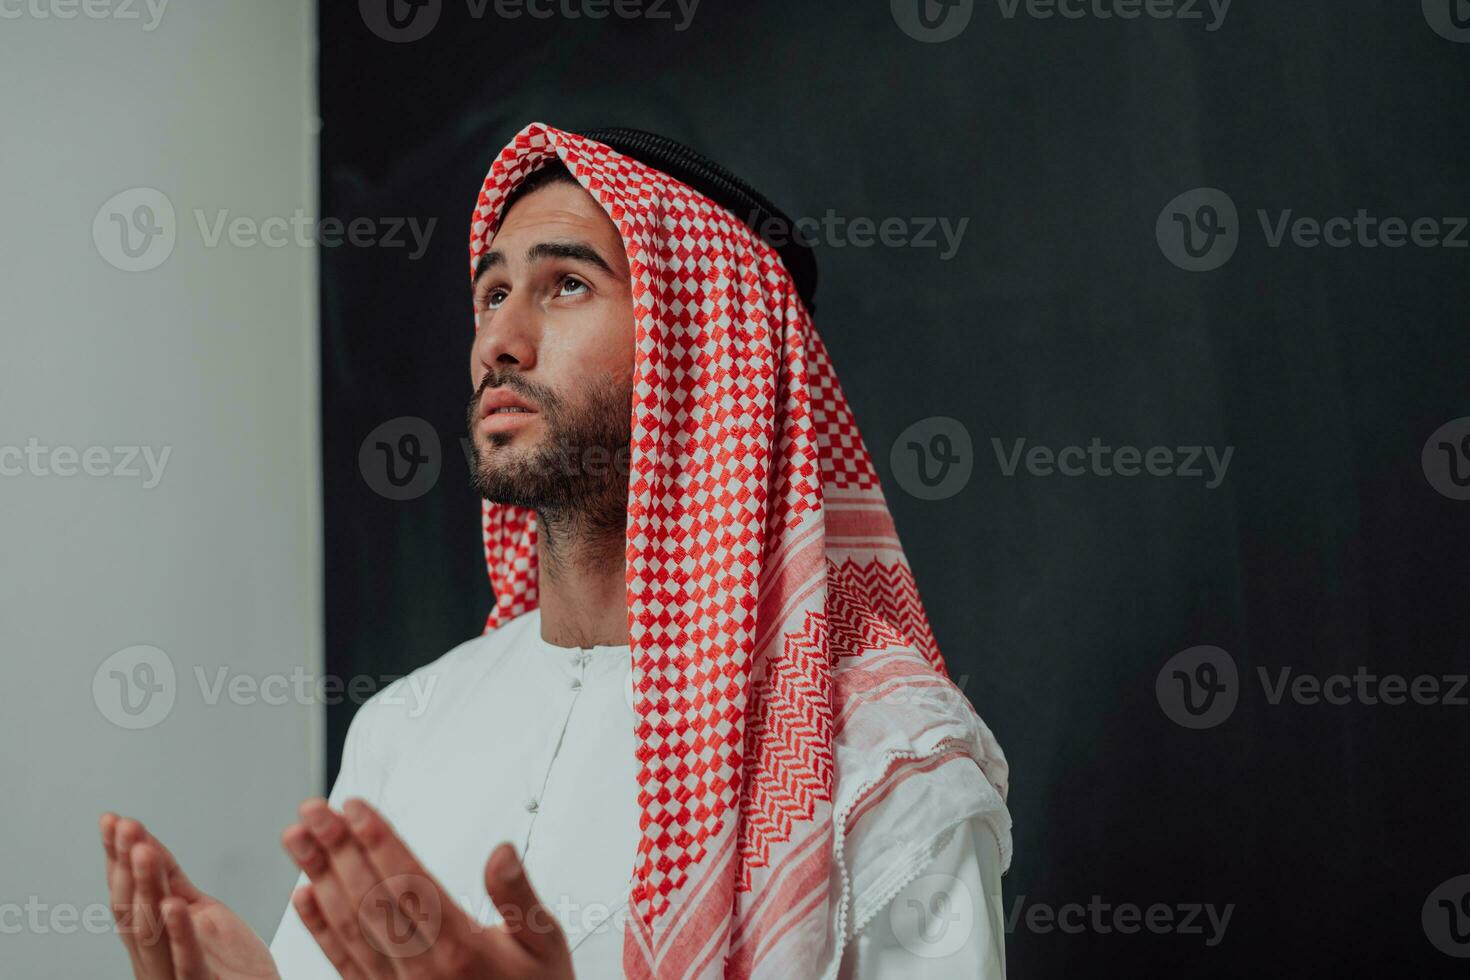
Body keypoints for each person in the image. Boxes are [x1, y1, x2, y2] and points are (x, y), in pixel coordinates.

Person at [100, 123, 1013, 980]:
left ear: (702, 347)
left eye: (566, 284)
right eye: (491, 292)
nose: (499, 340)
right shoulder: (405, 726)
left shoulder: (881, 758)